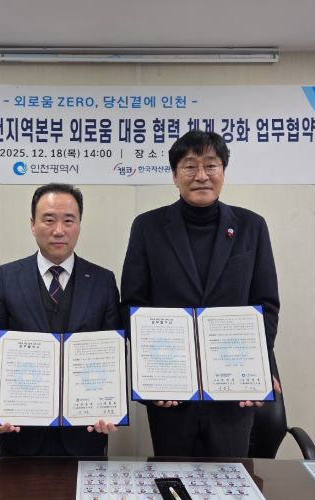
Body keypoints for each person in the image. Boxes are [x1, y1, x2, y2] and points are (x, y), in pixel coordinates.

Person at [120, 130, 281, 458]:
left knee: (230, 478)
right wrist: (152, 374)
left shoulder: (251, 226)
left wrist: (258, 366)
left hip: (233, 389)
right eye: (190, 166)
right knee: (173, 477)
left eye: (211, 165)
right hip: (170, 391)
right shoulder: (148, 227)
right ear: (174, 176)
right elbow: (134, 304)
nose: (202, 175)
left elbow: (266, 304)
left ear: (223, 171)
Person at [0, 183, 120, 457]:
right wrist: (1, 395)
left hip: (85, 432)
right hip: (20, 430)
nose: (58, 230)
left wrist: (108, 402)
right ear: (33, 225)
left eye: (68, 220)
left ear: (79, 225)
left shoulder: (103, 281)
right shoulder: (7, 277)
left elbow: (113, 349)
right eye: (48, 220)